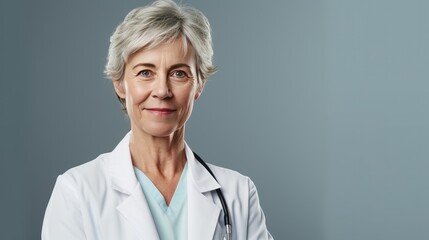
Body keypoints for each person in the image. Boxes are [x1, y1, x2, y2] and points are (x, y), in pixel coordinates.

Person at [41, 0, 273, 239]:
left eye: (178, 73)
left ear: (199, 85)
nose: (162, 90)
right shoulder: (77, 192)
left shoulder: (238, 193)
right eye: (145, 73)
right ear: (119, 83)